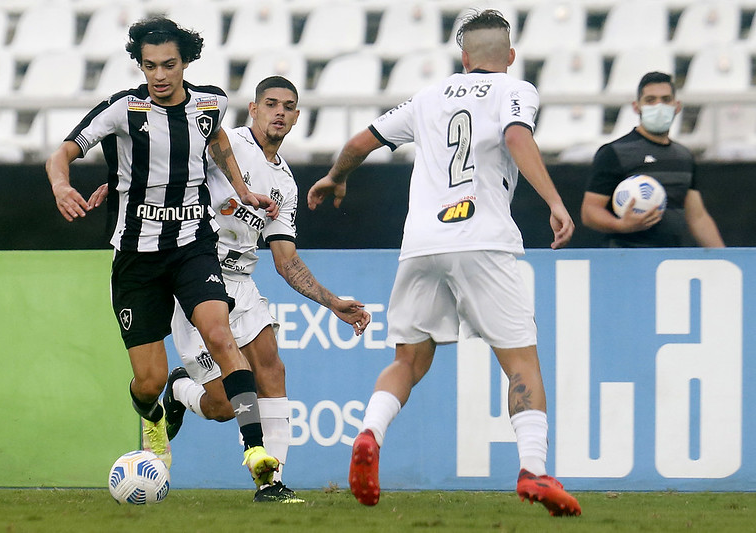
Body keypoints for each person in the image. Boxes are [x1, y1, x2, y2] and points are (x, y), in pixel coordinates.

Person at [307, 9, 581, 517]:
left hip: (422, 242)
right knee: (520, 363)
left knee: (407, 360)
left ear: (464, 57)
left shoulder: (428, 97)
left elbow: (358, 143)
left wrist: (335, 177)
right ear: (510, 57)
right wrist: (555, 203)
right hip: (483, 238)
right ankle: (535, 472)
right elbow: (518, 137)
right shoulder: (515, 90)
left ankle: (369, 433)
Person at [45, 16, 281, 490]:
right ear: (140, 65)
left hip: (194, 244)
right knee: (148, 381)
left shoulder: (210, 102)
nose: (158, 75)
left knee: (220, 334)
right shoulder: (122, 109)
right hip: (136, 258)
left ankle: (257, 454)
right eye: (149, 65)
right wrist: (60, 186)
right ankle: (155, 411)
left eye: (168, 65)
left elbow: (216, 143)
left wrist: (242, 189)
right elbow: (62, 153)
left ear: (185, 62)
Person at [161, 76, 372, 503]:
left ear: (296, 118)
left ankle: (271, 484)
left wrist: (333, 302)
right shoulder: (226, 144)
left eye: (288, 106)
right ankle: (181, 388)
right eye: (270, 103)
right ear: (253, 109)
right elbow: (169, 163)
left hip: (241, 281)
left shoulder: (287, 185)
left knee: (272, 369)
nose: (279, 111)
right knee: (223, 404)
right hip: (196, 277)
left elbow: (285, 259)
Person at [581, 71, 725, 248]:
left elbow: (698, 217)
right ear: (636, 107)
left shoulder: (684, 156)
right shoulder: (614, 153)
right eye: (650, 100)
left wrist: (724, 258)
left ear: (677, 106)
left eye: (666, 99)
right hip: (625, 257)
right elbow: (590, 211)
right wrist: (620, 225)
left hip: (669, 264)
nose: (659, 106)